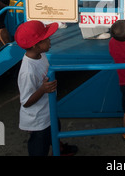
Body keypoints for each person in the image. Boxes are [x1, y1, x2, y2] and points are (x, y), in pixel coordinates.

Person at [15, 20, 78, 156]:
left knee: (55, 130)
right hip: (38, 120)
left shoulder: (40, 55)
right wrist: (43, 89)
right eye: (46, 38)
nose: (50, 40)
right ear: (35, 45)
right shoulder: (28, 71)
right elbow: (25, 102)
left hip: (48, 110)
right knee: (39, 147)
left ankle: (59, 148)